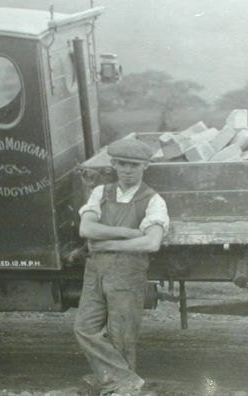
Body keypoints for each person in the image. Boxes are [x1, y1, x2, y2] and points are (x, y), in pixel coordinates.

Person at [74, 138, 169, 395]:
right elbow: (86, 228)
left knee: (122, 333)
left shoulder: (153, 200)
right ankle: (123, 381)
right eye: (122, 164)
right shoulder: (100, 193)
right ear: (114, 164)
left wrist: (107, 244)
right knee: (85, 328)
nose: (128, 170)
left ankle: (119, 386)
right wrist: (129, 233)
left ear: (145, 166)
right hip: (96, 270)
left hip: (127, 271)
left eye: (134, 165)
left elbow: (151, 242)